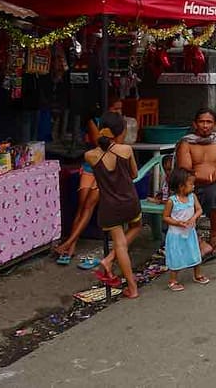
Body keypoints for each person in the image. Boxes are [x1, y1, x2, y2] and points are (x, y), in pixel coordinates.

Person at [54, 97, 123, 266]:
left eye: (120, 109)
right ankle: (72, 244)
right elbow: (98, 143)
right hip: (90, 166)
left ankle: (68, 243)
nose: (118, 112)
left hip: (106, 168)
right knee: (82, 203)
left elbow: (114, 147)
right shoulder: (95, 122)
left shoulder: (121, 124)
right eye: (115, 109)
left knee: (89, 204)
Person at [86, 112, 141, 299]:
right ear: (121, 132)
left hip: (108, 207)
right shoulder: (126, 150)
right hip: (129, 202)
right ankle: (109, 261)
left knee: (119, 244)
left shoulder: (90, 156)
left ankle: (130, 285)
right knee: (136, 227)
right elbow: (134, 175)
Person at [177, 107, 216, 257]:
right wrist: (208, 177)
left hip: (214, 187)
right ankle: (197, 241)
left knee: (215, 195)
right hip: (191, 186)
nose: (205, 125)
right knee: (179, 203)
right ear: (195, 124)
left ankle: (214, 234)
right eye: (202, 122)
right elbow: (185, 171)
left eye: (209, 122)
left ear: (214, 125)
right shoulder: (187, 144)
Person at [162, 168, 209, 291]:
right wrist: (177, 223)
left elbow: (199, 209)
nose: (193, 186)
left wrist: (193, 218)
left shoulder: (192, 197)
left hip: (190, 232)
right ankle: (173, 280)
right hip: (176, 234)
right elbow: (166, 217)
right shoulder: (172, 201)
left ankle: (197, 274)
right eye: (191, 184)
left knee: (195, 253)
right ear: (181, 186)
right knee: (176, 256)